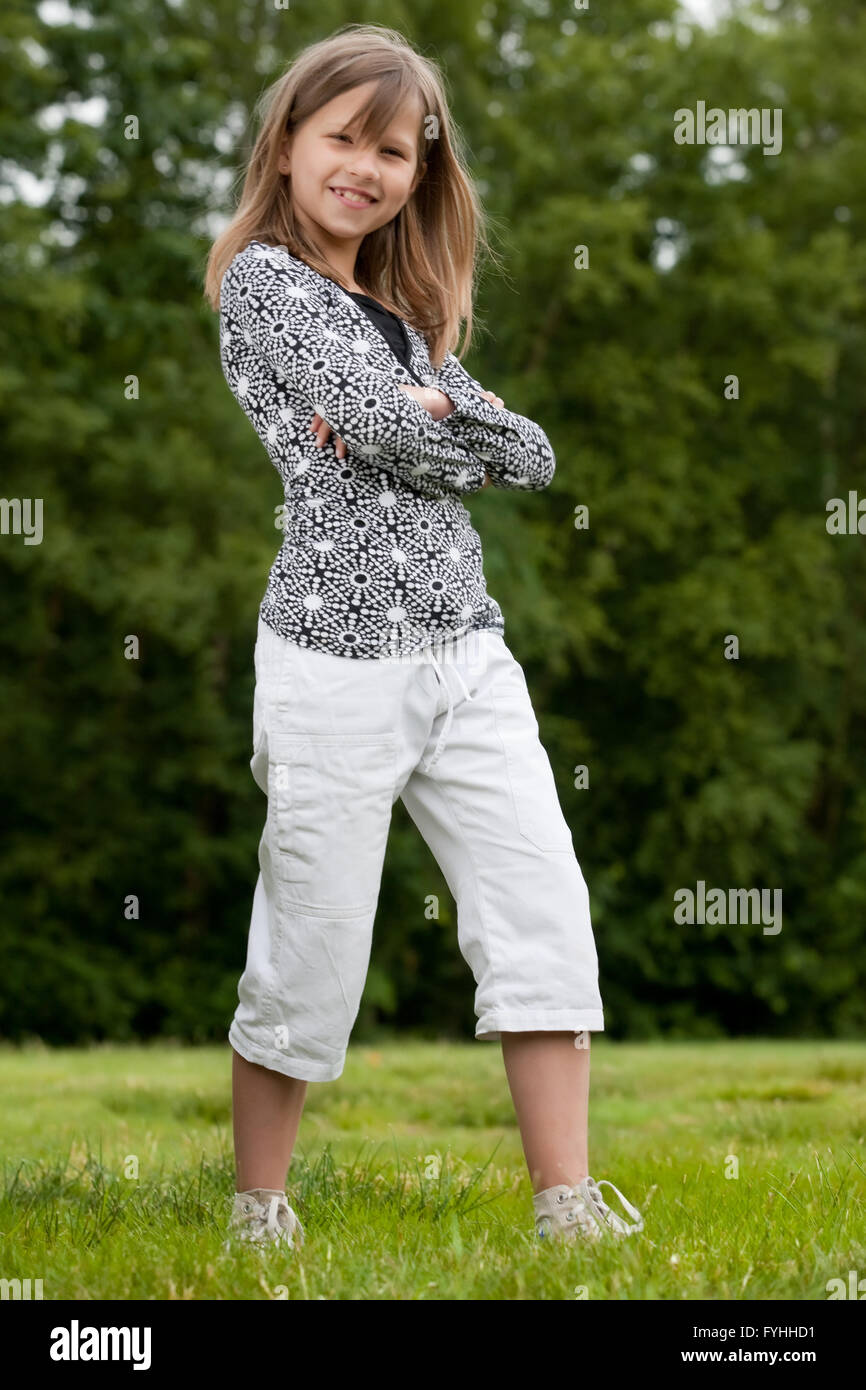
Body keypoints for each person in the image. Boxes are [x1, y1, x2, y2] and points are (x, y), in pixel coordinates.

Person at [204, 23, 643, 1251]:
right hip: (331, 663)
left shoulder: (406, 311)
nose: (366, 166)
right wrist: (436, 420)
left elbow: (535, 455)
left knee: (539, 906)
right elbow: (379, 428)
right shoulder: (262, 286)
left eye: (392, 149)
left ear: (419, 172)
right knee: (313, 938)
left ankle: (565, 1206)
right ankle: (259, 1211)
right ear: (287, 143)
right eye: (342, 137)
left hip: (466, 650)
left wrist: (428, 402)